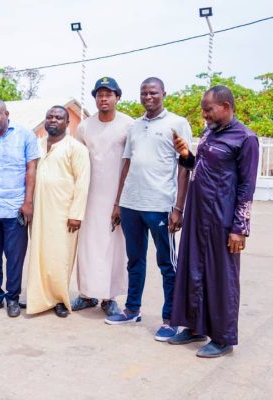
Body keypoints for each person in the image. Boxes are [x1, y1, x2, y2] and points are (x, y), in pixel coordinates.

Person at [168, 86, 259, 358]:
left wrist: (240, 229)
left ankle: (223, 337)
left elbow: (247, 187)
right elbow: (199, 166)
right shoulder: (210, 132)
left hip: (222, 216)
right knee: (192, 269)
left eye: (208, 109)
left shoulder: (246, 139)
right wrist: (186, 155)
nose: (204, 115)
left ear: (226, 106)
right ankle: (194, 326)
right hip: (198, 213)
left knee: (222, 276)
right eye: (203, 110)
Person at [105, 77, 192, 343]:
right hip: (132, 204)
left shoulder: (177, 123)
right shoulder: (135, 126)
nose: (148, 97)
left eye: (153, 92)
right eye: (144, 93)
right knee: (135, 260)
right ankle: (132, 309)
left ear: (164, 93)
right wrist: (119, 202)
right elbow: (127, 164)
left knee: (167, 264)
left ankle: (171, 319)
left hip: (160, 206)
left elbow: (184, 166)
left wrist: (178, 207)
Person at [72, 77, 134, 317]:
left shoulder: (129, 125)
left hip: (117, 197)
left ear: (118, 97)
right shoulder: (85, 127)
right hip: (88, 195)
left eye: (109, 94)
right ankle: (87, 294)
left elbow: (131, 162)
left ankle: (109, 297)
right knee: (87, 246)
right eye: (99, 94)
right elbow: (77, 162)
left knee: (114, 247)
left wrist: (120, 202)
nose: (104, 98)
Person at [0, 100, 40, 318]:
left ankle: (13, 298)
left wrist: (28, 201)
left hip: (16, 209)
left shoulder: (25, 136)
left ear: (6, 114)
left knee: (15, 257)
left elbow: (31, 169)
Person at [26, 106, 90, 318]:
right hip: (38, 210)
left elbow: (83, 182)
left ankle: (60, 299)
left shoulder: (76, 148)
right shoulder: (36, 145)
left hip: (64, 213)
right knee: (39, 255)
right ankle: (39, 298)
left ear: (67, 123)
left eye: (58, 117)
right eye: (49, 117)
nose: (53, 120)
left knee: (60, 257)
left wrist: (76, 214)